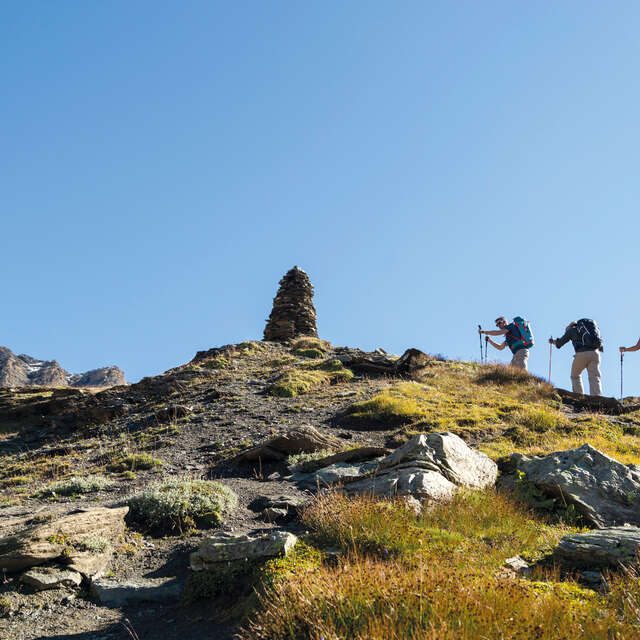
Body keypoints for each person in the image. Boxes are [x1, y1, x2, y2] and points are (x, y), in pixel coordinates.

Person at [550, 319, 603, 396]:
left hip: (582, 354)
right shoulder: (589, 328)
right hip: (595, 353)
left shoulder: (571, 330)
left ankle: (578, 396)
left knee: (575, 376)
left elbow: (559, 343)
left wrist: (553, 341)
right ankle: (597, 396)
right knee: (594, 376)